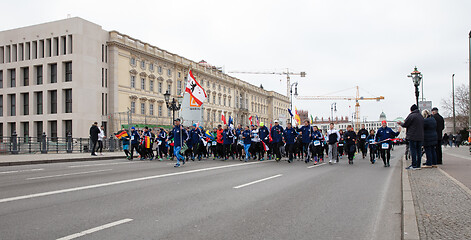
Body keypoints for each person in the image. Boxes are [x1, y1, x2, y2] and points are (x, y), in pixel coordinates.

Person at [398, 104, 424, 170]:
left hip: (412, 136)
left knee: (413, 151)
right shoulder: (421, 116)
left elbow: (405, 124)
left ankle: (414, 165)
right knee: (419, 151)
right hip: (420, 136)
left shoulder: (411, 116)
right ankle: (418, 165)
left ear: (411, 110)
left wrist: (400, 123)